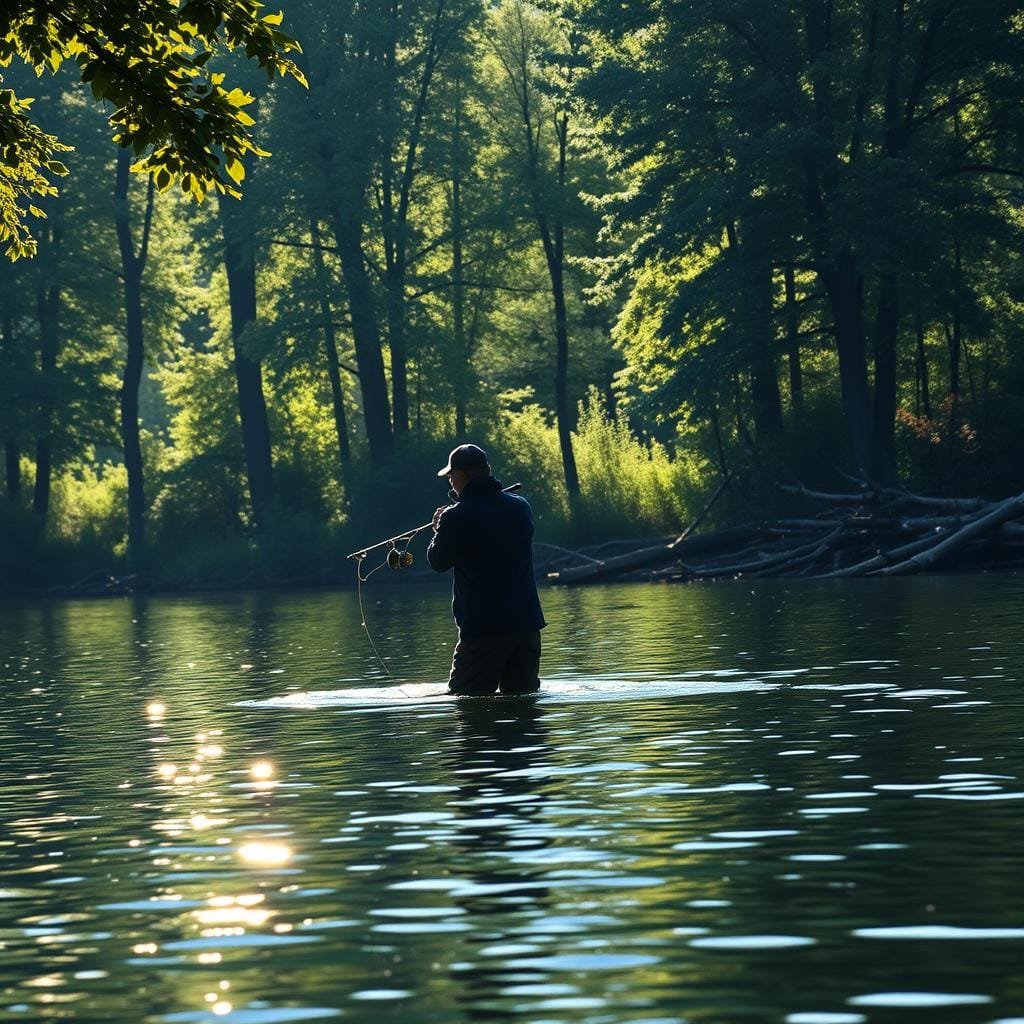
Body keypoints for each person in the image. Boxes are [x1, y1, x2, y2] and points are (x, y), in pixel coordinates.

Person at [427, 443, 546, 696]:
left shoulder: (456, 517)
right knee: (523, 705)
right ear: (487, 471)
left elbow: (438, 562)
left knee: (465, 703)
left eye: (451, 476)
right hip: (527, 624)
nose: (450, 481)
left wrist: (439, 530)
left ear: (462, 476)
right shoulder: (520, 507)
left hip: (484, 630)